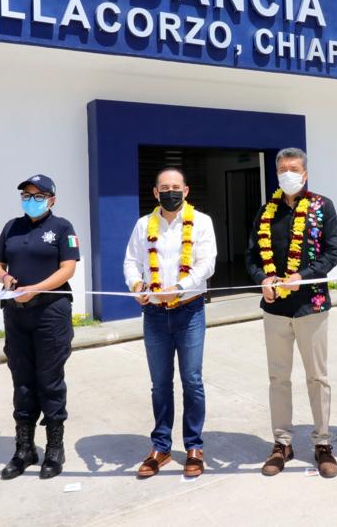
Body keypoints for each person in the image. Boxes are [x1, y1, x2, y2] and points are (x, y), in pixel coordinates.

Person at [246, 147, 337, 478]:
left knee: (317, 377)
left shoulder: (322, 207)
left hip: (311, 304)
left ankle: (323, 443)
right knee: (278, 377)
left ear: (305, 174)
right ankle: (282, 443)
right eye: (283, 168)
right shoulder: (265, 212)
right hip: (275, 308)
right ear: (277, 174)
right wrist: (263, 278)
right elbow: (251, 257)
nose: (289, 173)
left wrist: (303, 276)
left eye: (295, 168)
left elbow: (332, 254)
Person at [124, 167, 217, 478]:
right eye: (164, 187)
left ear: (186, 191)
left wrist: (178, 288)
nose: (170, 192)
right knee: (160, 384)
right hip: (153, 315)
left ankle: (193, 446)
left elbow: (206, 264)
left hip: (189, 312)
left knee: (192, 380)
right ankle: (161, 447)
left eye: (176, 186)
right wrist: (136, 285)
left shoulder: (201, 222)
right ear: (155, 193)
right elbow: (131, 262)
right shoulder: (142, 225)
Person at [0, 174, 79, 480]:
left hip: (50, 313)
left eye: (38, 195)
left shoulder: (62, 228)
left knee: (49, 380)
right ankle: (24, 449)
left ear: (52, 199)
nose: (31, 200)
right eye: (27, 195)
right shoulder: (11, 227)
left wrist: (37, 289)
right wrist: (4, 279)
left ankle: (55, 448)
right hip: (16, 314)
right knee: (22, 380)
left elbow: (68, 268)